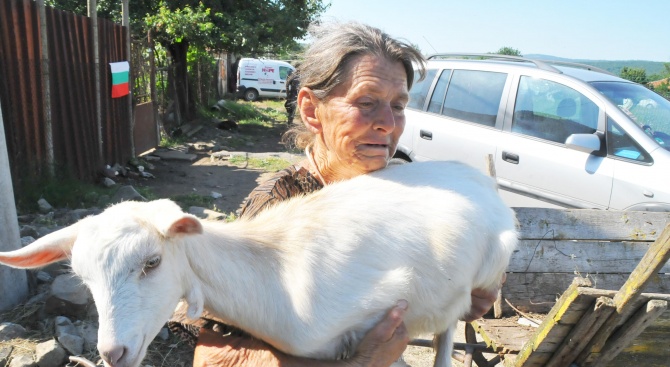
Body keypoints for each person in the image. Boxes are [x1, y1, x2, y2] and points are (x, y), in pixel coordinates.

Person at [187, 21, 502, 367]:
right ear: (311, 110)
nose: (388, 123)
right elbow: (213, 356)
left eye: (398, 106)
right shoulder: (277, 206)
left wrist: (459, 290)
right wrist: (363, 363)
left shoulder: (400, 193)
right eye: (366, 102)